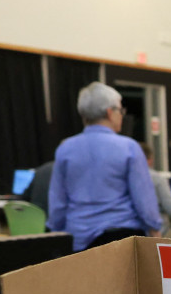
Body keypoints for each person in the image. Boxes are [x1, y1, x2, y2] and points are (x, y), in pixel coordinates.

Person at [48, 82, 161, 251]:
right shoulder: (129, 147)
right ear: (110, 112)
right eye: (121, 110)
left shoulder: (65, 149)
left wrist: (56, 232)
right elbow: (144, 200)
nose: (122, 115)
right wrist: (155, 228)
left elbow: (57, 202)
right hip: (122, 239)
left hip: (78, 241)